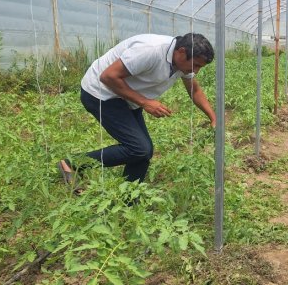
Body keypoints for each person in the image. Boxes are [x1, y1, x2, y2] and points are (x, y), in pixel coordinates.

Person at [57, 33, 216, 184]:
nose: (196, 71)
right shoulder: (150, 51)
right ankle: (73, 163)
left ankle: (128, 199)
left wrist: (214, 118)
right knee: (139, 149)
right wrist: (145, 102)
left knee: (143, 152)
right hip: (100, 93)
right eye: (195, 65)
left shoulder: (183, 63)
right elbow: (108, 76)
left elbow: (194, 90)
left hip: (126, 96)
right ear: (181, 52)